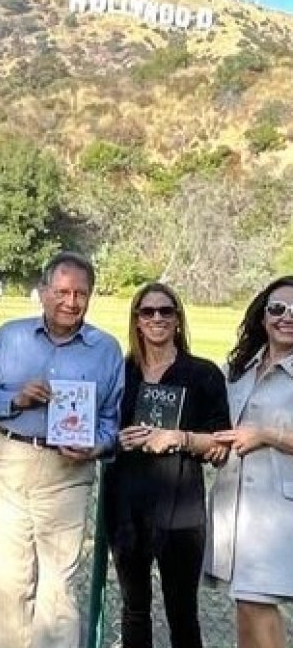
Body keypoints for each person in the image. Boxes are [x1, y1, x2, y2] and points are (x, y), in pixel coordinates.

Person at [0, 251, 125, 648]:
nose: (70, 302)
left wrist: (96, 445)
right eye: (62, 291)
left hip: (68, 473)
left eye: (80, 293)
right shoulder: (9, 337)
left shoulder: (106, 350)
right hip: (10, 461)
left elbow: (113, 419)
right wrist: (15, 399)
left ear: (90, 297)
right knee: (8, 582)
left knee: (59, 586)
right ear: (43, 292)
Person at [106, 282, 230, 648]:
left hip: (181, 510)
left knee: (182, 612)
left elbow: (222, 444)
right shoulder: (120, 373)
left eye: (166, 311)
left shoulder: (203, 374)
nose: (157, 318)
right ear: (136, 320)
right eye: (148, 311)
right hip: (126, 506)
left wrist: (181, 438)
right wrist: (117, 438)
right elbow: (94, 427)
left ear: (178, 319)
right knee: (134, 609)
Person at [205, 275, 293, 648]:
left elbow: (256, 433)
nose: (286, 317)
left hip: (277, 510)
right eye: (277, 308)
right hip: (235, 506)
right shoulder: (239, 370)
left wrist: (266, 435)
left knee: (258, 604)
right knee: (245, 603)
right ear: (263, 316)